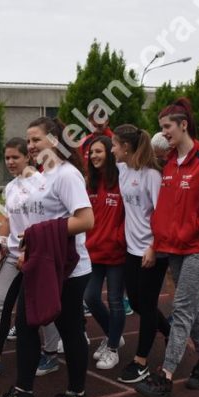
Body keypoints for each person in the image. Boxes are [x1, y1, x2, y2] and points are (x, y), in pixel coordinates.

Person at [0, 117, 95, 397]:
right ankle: (24, 392)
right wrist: (21, 243)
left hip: (69, 269)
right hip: (40, 265)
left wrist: (36, 236)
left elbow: (86, 220)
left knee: (69, 329)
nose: (31, 145)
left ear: (55, 140)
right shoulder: (41, 176)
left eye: (35, 140)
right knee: (25, 326)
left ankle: (77, 393)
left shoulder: (67, 175)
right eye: (29, 140)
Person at [134, 98, 199, 397]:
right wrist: (157, 242)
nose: (164, 133)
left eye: (167, 128)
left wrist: (194, 226)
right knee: (188, 308)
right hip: (173, 247)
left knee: (181, 308)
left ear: (183, 125)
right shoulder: (167, 164)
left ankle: (165, 375)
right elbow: (163, 208)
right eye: (161, 129)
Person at [0, 138, 62, 378]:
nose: (10, 162)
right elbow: (8, 219)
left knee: (42, 307)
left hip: (37, 256)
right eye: (7, 158)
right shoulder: (10, 187)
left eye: (15, 157)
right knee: (0, 304)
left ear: (27, 157)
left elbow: (44, 221)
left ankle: (50, 354)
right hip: (13, 256)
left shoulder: (43, 183)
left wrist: (31, 249)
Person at [111, 125, 170, 383]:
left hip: (151, 250)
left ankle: (141, 361)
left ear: (126, 147)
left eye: (115, 144)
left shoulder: (151, 176)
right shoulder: (123, 169)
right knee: (134, 302)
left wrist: (154, 247)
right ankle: (170, 331)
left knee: (146, 305)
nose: (112, 149)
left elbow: (162, 214)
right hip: (131, 248)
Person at [84, 136, 127, 371]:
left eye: (98, 151)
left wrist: (119, 238)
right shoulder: (89, 182)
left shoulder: (121, 180)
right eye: (91, 153)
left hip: (116, 253)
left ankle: (112, 348)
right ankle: (113, 334)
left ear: (110, 153)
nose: (94, 156)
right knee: (90, 297)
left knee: (115, 300)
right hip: (93, 251)